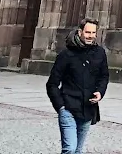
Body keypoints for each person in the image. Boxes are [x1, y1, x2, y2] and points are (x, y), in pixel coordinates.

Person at [46, 19, 110, 154]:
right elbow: (52, 84)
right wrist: (61, 107)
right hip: (68, 108)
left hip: (88, 108)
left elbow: (104, 76)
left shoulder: (99, 53)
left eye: (93, 32)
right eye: (87, 32)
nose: (90, 36)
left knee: (78, 151)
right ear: (80, 32)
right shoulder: (66, 54)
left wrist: (100, 92)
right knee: (70, 149)